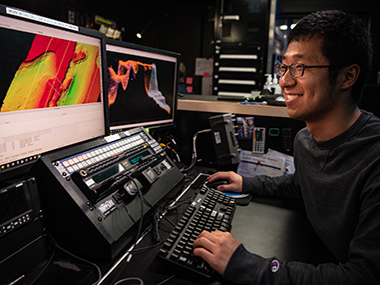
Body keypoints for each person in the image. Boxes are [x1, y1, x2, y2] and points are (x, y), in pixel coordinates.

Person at [193, 10, 379, 284]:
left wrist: (243, 264)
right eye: (284, 67)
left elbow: (364, 277)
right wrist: (247, 182)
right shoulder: (305, 139)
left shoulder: (374, 157)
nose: (285, 81)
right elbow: (301, 184)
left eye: (300, 68)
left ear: (347, 76)